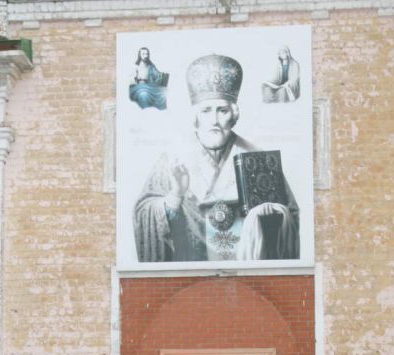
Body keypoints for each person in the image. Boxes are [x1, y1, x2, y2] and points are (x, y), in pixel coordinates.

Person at [133, 54, 300, 263]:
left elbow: (291, 214)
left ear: (234, 114)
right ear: (195, 116)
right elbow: (144, 212)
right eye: (206, 111)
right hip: (192, 270)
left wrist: (272, 214)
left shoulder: (257, 158)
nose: (214, 120)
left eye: (222, 110)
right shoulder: (172, 159)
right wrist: (175, 195)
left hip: (245, 269)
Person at [129, 46, 168, 111]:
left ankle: (162, 114)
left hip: (150, 86)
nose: (145, 56)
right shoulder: (136, 66)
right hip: (138, 87)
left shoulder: (151, 66)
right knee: (143, 95)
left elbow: (157, 76)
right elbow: (131, 80)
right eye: (143, 54)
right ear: (139, 55)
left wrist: (163, 75)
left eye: (147, 54)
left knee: (163, 93)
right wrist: (137, 82)